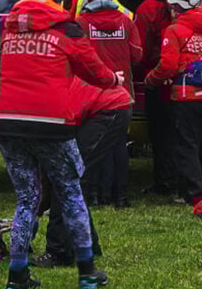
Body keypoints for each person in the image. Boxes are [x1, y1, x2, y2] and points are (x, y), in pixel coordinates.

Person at [0, 0, 123, 289]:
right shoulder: (65, 28)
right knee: (70, 191)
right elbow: (94, 71)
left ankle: (17, 276)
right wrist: (113, 79)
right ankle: (87, 272)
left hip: (5, 119)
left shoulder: (9, 26)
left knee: (26, 198)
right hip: (50, 123)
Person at [34, 78, 132, 268]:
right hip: (105, 105)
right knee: (71, 177)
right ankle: (89, 243)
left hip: (108, 109)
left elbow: (51, 168)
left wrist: (39, 204)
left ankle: (59, 251)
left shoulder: (39, 108)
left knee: (67, 177)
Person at [144, 0, 202, 205]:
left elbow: (168, 65)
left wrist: (151, 78)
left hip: (187, 94)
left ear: (175, 8)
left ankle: (194, 193)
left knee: (185, 144)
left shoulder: (175, 30)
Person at [75, 0, 142, 208]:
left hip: (90, 93)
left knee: (91, 145)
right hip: (123, 94)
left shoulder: (80, 23)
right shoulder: (126, 20)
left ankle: (93, 195)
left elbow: (74, 57)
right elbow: (137, 55)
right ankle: (120, 196)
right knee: (118, 145)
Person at [130, 0, 177, 194]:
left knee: (159, 131)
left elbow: (141, 47)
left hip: (156, 74)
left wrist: (138, 71)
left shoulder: (147, 7)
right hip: (180, 76)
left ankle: (164, 182)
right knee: (180, 131)